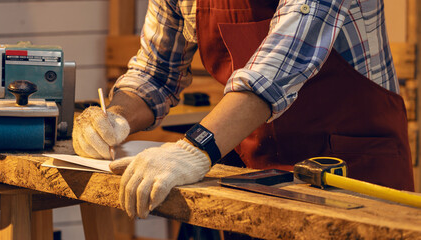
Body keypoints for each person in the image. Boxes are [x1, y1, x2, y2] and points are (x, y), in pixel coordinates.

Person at [73, 0, 415, 219]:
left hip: (353, 172)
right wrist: (115, 116)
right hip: (259, 178)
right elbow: (155, 73)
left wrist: (193, 149)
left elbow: (274, 71)